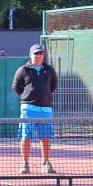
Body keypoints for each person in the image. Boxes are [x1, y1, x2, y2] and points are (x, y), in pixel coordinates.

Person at [13, 44, 58, 174]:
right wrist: (26, 97)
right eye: (36, 53)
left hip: (45, 109)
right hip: (28, 109)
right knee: (26, 137)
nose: (39, 55)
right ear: (30, 55)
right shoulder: (23, 69)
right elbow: (16, 86)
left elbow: (53, 85)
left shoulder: (49, 69)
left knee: (45, 138)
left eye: (41, 53)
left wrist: (45, 96)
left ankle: (46, 163)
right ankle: (25, 163)